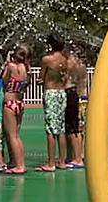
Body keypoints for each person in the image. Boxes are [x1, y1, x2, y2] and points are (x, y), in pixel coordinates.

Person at [38, 34, 69, 172]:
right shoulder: (65, 59)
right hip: (62, 93)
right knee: (61, 128)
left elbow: (41, 77)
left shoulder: (47, 59)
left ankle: (50, 163)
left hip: (50, 92)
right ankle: (62, 161)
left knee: (50, 129)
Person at [3, 44, 30, 175]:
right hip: (20, 103)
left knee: (12, 136)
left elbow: (3, 80)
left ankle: (20, 165)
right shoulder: (25, 68)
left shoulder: (11, 67)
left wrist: (8, 61)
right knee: (16, 136)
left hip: (9, 103)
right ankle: (18, 162)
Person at [64, 43, 88, 169]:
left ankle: (79, 156)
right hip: (80, 98)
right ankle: (76, 155)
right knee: (77, 129)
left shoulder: (79, 67)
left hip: (80, 99)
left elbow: (74, 80)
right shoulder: (80, 67)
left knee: (78, 129)